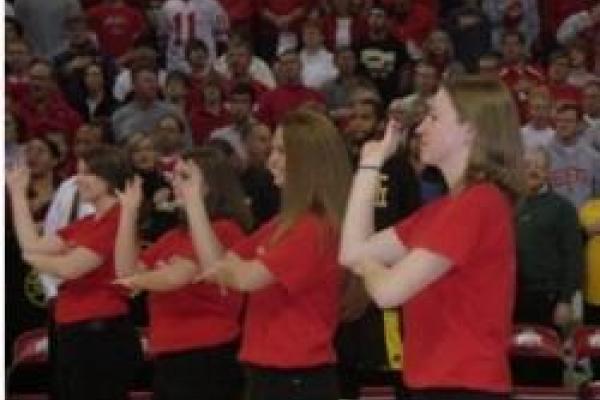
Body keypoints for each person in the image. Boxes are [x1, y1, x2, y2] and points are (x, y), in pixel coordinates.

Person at [339, 76, 525, 400]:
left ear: (470, 129)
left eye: (435, 117)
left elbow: (387, 291)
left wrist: (368, 265)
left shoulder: (479, 202)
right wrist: (370, 165)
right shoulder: (442, 209)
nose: (421, 128)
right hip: (436, 384)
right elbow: (351, 252)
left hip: (464, 386)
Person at [158, 108, 352, 400]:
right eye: (273, 150)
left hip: (297, 376)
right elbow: (218, 267)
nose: (272, 159)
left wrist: (230, 269)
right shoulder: (281, 224)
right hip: (269, 371)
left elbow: (246, 278)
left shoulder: (313, 227)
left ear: (308, 162)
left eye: (282, 152)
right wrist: (194, 201)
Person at [113, 147, 251, 400]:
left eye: (184, 176)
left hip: (208, 354)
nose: (175, 183)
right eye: (174, 176)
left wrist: (140, 280)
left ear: (208, 184)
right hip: (170, 354)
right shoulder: (172, 236)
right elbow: (125, 271)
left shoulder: (226, 229)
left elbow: (178, 276)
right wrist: (129, 212)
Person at [7, 144, 142, 400]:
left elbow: (71, 268)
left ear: (109, 176)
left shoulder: (117, 220)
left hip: (100, 335)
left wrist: (34, 259)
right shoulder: (88, 223)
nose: (78, 180)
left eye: (88, 173)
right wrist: (16, 193)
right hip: (75, 331)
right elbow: (33, 244)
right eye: (78, 172)